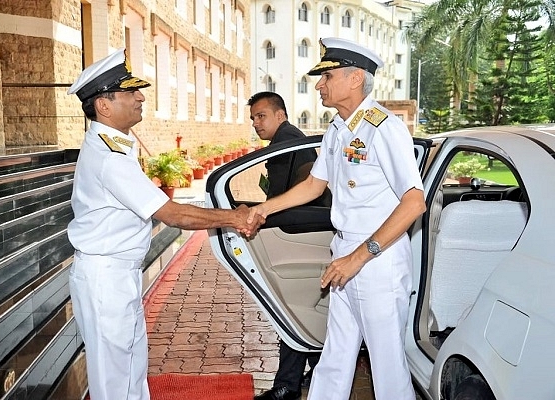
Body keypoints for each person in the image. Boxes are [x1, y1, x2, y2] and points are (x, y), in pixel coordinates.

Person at [66, 48, 263, 400]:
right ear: (104, 105)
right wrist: (234, 217)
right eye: (130, 92)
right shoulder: (108, 156)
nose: (140, 97)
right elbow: (171, 214)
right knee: (113, 379)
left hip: (117, 274)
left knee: (131, 367)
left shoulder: (114, 147)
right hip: (105, 278)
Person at [247, 37, 426, 400]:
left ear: (356, 78)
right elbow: (314, 185)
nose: (318, 85)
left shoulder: (384, 128)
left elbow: (414, 203)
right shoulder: (339, 128)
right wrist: (262, 209)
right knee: (336, 352)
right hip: (344, 250)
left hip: (376, 257)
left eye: (327, 77)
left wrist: (359, 257)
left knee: (387, 364)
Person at [248, 92, 323, 400]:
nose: (255, 123)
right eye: (253, 118)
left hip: (303, 231)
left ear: (280, 115)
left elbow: (309, 178)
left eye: (261, 115)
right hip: (296, 228)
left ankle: (289, 385)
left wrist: (272, 211)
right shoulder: (285, 139)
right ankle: (310, 373)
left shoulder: (290, 139)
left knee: (291, 308)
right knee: (296, 307)